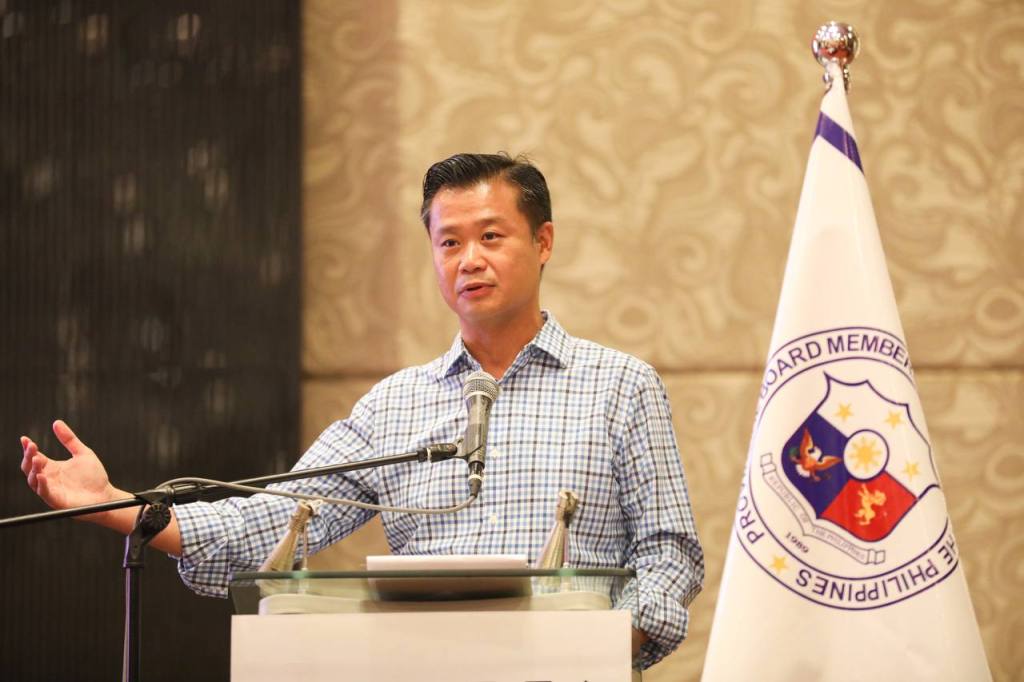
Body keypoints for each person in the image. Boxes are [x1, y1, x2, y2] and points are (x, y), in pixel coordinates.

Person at [20, 153, 704, 669]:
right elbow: (278, 519)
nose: (469, 260)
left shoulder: (620, 385)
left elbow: (669, 553)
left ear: (544, 242)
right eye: (449, 242)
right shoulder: (397, 403)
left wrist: (600, 645)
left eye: (492, 237)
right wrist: (120, 507)